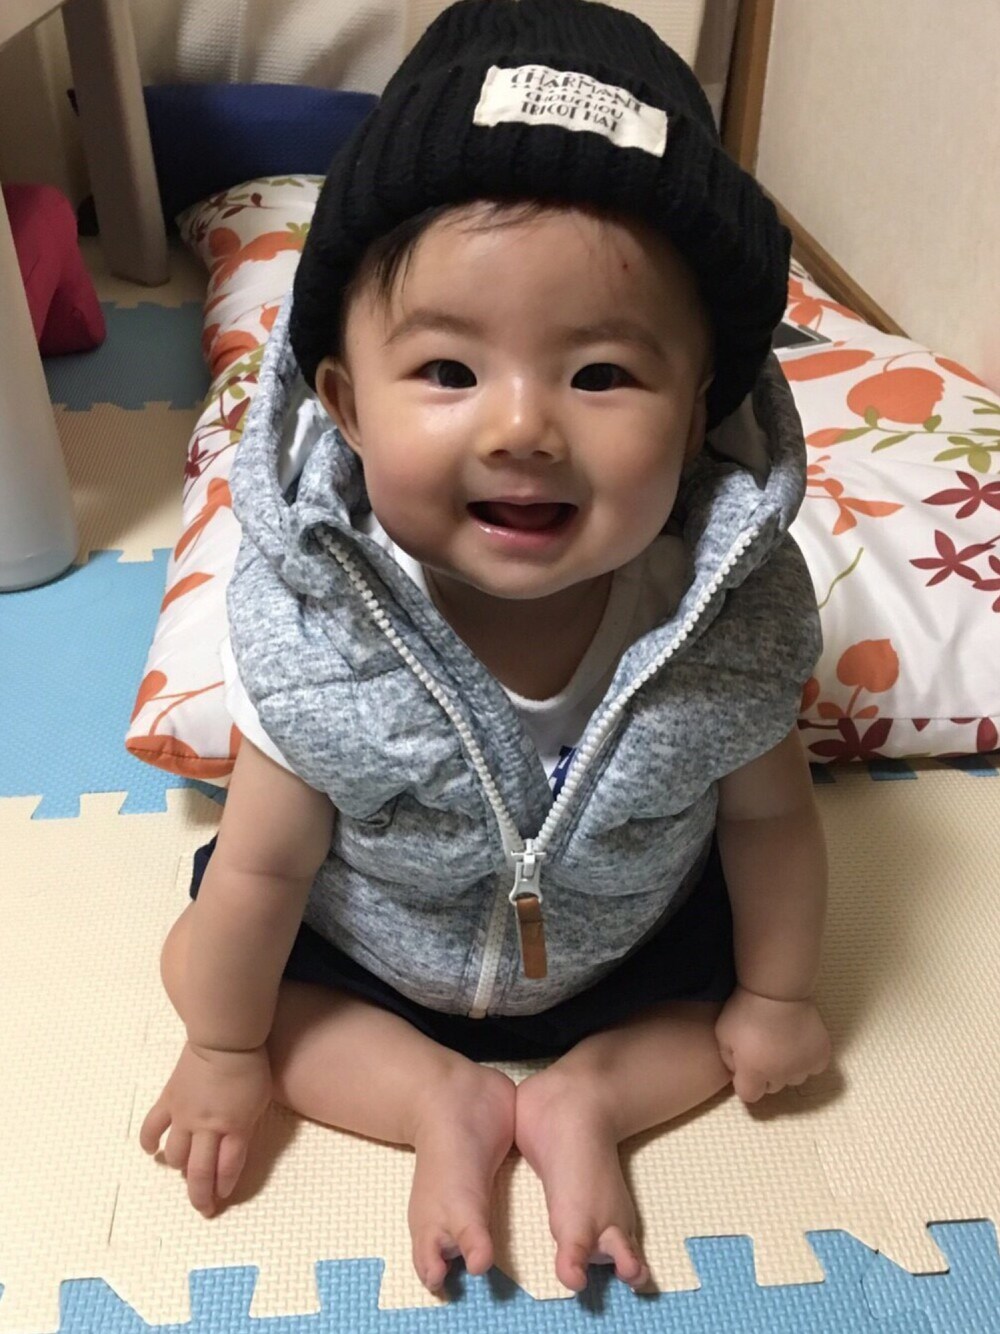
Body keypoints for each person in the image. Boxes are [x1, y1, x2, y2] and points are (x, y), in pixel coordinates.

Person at [140, 0, 831, 1297]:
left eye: (602, 375)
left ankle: (587, 1099)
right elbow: (264, 867)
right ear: (345, 404)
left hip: (628, 941)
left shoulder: (720, 621)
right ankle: (434, 1099)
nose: (523, 429)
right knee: (203, 962)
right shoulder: (327, 630)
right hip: (376, 941)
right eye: (450, 372)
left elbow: (773, 823)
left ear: (698, 417)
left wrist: (779, 996)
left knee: (738, 1008)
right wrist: (227, 1053)